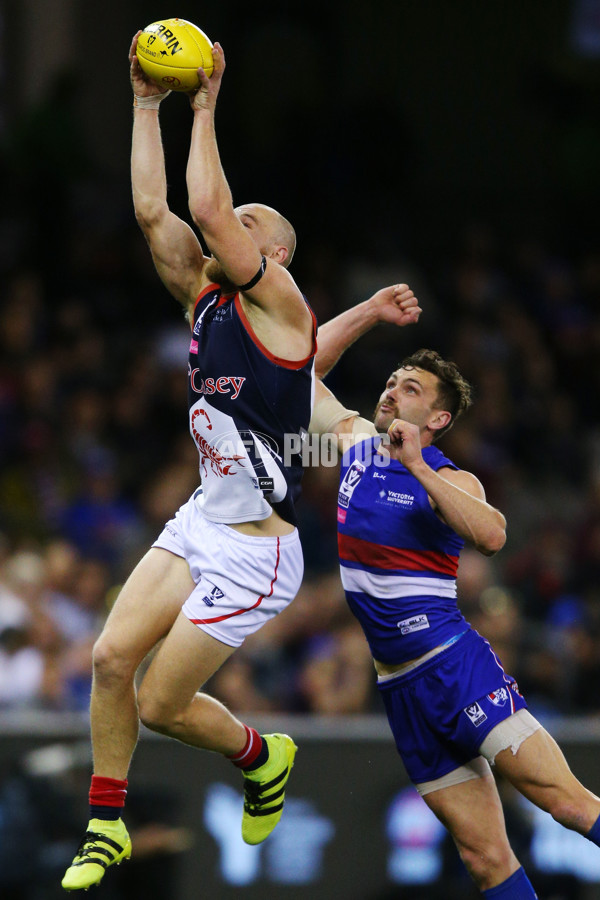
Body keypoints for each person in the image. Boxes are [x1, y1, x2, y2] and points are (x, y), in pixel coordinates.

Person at [61, 36, 418, 893]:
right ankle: (105, 823)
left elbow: (209, 207)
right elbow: (158, 211)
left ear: (277, 256)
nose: (229, 224)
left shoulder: (283, 301)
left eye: (252, 223)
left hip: (259, 552)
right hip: (202, 520)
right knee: (111, 661)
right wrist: (147, 103)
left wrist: (208, 105)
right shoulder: (207, 296)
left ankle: (266, 755)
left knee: (160, 705)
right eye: (236, 219)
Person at [307, 298, 600, 899]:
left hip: (453, 666)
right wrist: (371, 311)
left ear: (437, 418)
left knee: (567, 805)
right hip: (399, 687)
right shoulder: (354, 445)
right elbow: (299, 372)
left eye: (410, 388)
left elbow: (492, 534)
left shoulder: (450, 476)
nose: (391, 392)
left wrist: (416, 464)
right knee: (484, 856)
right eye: (391, 382)